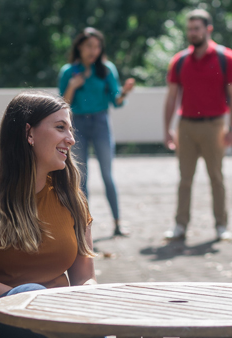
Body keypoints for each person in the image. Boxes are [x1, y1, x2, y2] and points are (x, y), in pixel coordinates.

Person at [0, 91, 97, 338]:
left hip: (58, 320)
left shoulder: (71, 200)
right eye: (60, 128)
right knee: (27, 294)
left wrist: (88, 300)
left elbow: (84, 278)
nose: (71, 139)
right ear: (29, 133)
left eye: (70, 130)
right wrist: (39, 301)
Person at [163, 9, 232, 241]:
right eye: (189, 29)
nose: (192, 33)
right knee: (184, 179)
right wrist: (167, 129)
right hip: (186, 125)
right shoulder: (179, 61)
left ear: (208, 29)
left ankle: (221, 225)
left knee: (216, 178)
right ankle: (180, 225)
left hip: (215, 125)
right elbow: (171, 98)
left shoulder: (226, 58)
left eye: (197, 28)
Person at [58, 27, 134, 237]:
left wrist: (124, 92)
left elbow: (116, 101)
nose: (94, 50)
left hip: (101, 123)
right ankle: (83, 225)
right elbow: (62, 105)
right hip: (77, 125)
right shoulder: (68, 71)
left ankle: (117, 224)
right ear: (80, 47)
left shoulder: (106, 69)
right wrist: (72, 86)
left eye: (97, 46)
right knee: (81, 178)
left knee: (108, 176)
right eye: (89, 46)